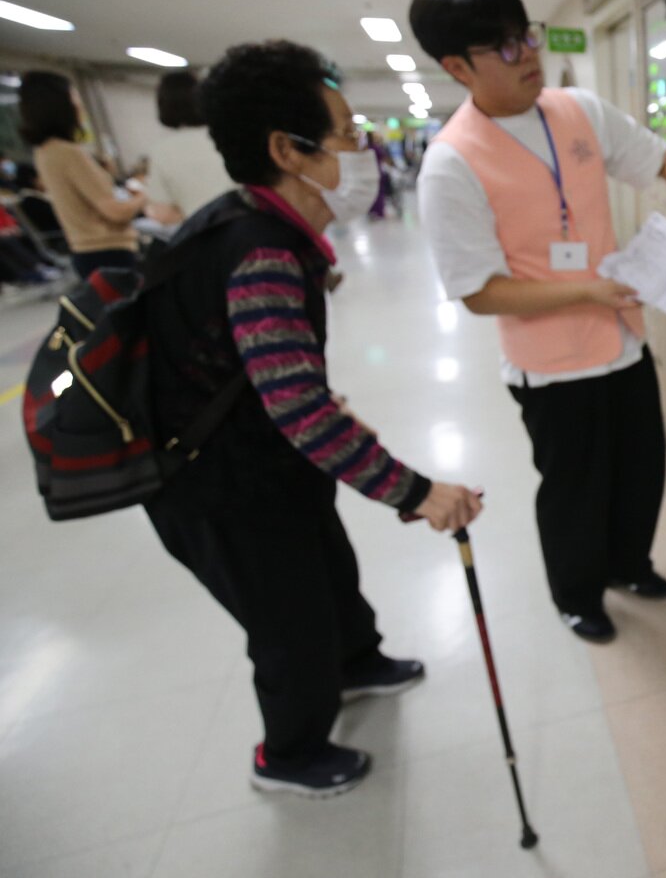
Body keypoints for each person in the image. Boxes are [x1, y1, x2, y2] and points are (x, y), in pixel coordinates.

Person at [142, 39, 483, 798]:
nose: (359, 148)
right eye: (343, 133)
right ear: (285, 150)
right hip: (213, 487)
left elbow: (275, 384)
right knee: (289, 622)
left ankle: (356, 662)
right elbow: (299, 410)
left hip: (258, 459)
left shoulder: (259, 228)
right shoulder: (257, 249)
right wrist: (416, 492)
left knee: (328, 568)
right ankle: (288, 756)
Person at [410, 0, 666, 644]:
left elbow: (656, 155)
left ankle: (630, 564)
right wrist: (588, 288)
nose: (530, 56)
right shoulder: (451, 165)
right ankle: (579, 594)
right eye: (507, 48)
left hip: (621, 339)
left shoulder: (575, 112)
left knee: (639, 468)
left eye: (528, 36)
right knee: (575, 487)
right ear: (457, 66)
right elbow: (479, 292)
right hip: (550, 365)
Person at [18, 71, 144, 278]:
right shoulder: (69, 153)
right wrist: (142, 195)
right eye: (74, 97)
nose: (80, 105)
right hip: (108, 252)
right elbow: (115, 212)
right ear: (61, 105)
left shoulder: (44, 152)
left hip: (86, 252)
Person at [144, 70, 235, 226]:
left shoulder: (162, 151)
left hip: (202, 236)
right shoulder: (231, 135)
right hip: (249, 230)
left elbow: (162, 214)